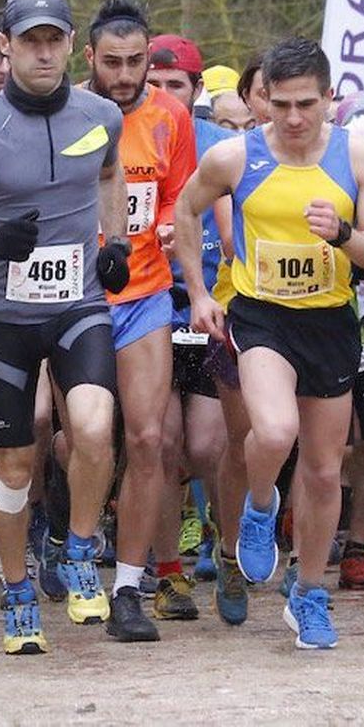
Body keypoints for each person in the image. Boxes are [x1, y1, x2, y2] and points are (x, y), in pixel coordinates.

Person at [0, 0, 129, 656]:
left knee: (95, 429)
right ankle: (16, 588)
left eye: (54, 40)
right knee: (13, 465)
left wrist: (115, 240)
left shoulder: (101, 114)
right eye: (30, 41)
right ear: (5, 48)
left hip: (77, 304)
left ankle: (78, 547)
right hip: (7, 317)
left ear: (74, 46)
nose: (43, 52)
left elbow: (107, 175)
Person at [175, 37, 364, 649]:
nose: (294, 119)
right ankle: (262, 505)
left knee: (325, 471)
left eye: (306, 104)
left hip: (330, 319)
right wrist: (198, 292)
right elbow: (187, 211)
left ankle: (309, 595)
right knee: (272, 432)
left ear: (330, 98)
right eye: (281, 104)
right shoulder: (232, 157)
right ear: (263, 98)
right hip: (260, 314)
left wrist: (344, 234)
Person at [82, 0, 197, 641]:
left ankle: (128, 586)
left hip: (147, 292)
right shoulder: (70, 113)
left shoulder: (170, 115)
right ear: (90, 59)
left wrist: (172, 222)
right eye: (113, 62)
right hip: (77, 296)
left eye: (136, 63)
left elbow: (179, 193)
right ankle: (73, 550)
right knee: (81, 440)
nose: (125, 75)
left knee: (149, 440)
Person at [145, 33, 236, 619]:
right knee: (162, 445)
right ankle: (168, 574)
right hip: (150, 306)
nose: (162, 94)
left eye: (174, 85)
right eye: (153, 85)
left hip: (210, 310)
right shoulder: (128, 135)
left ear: (196, 90)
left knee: (208, 445)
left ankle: (228, 552)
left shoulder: (224, 149)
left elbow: (236, 240)